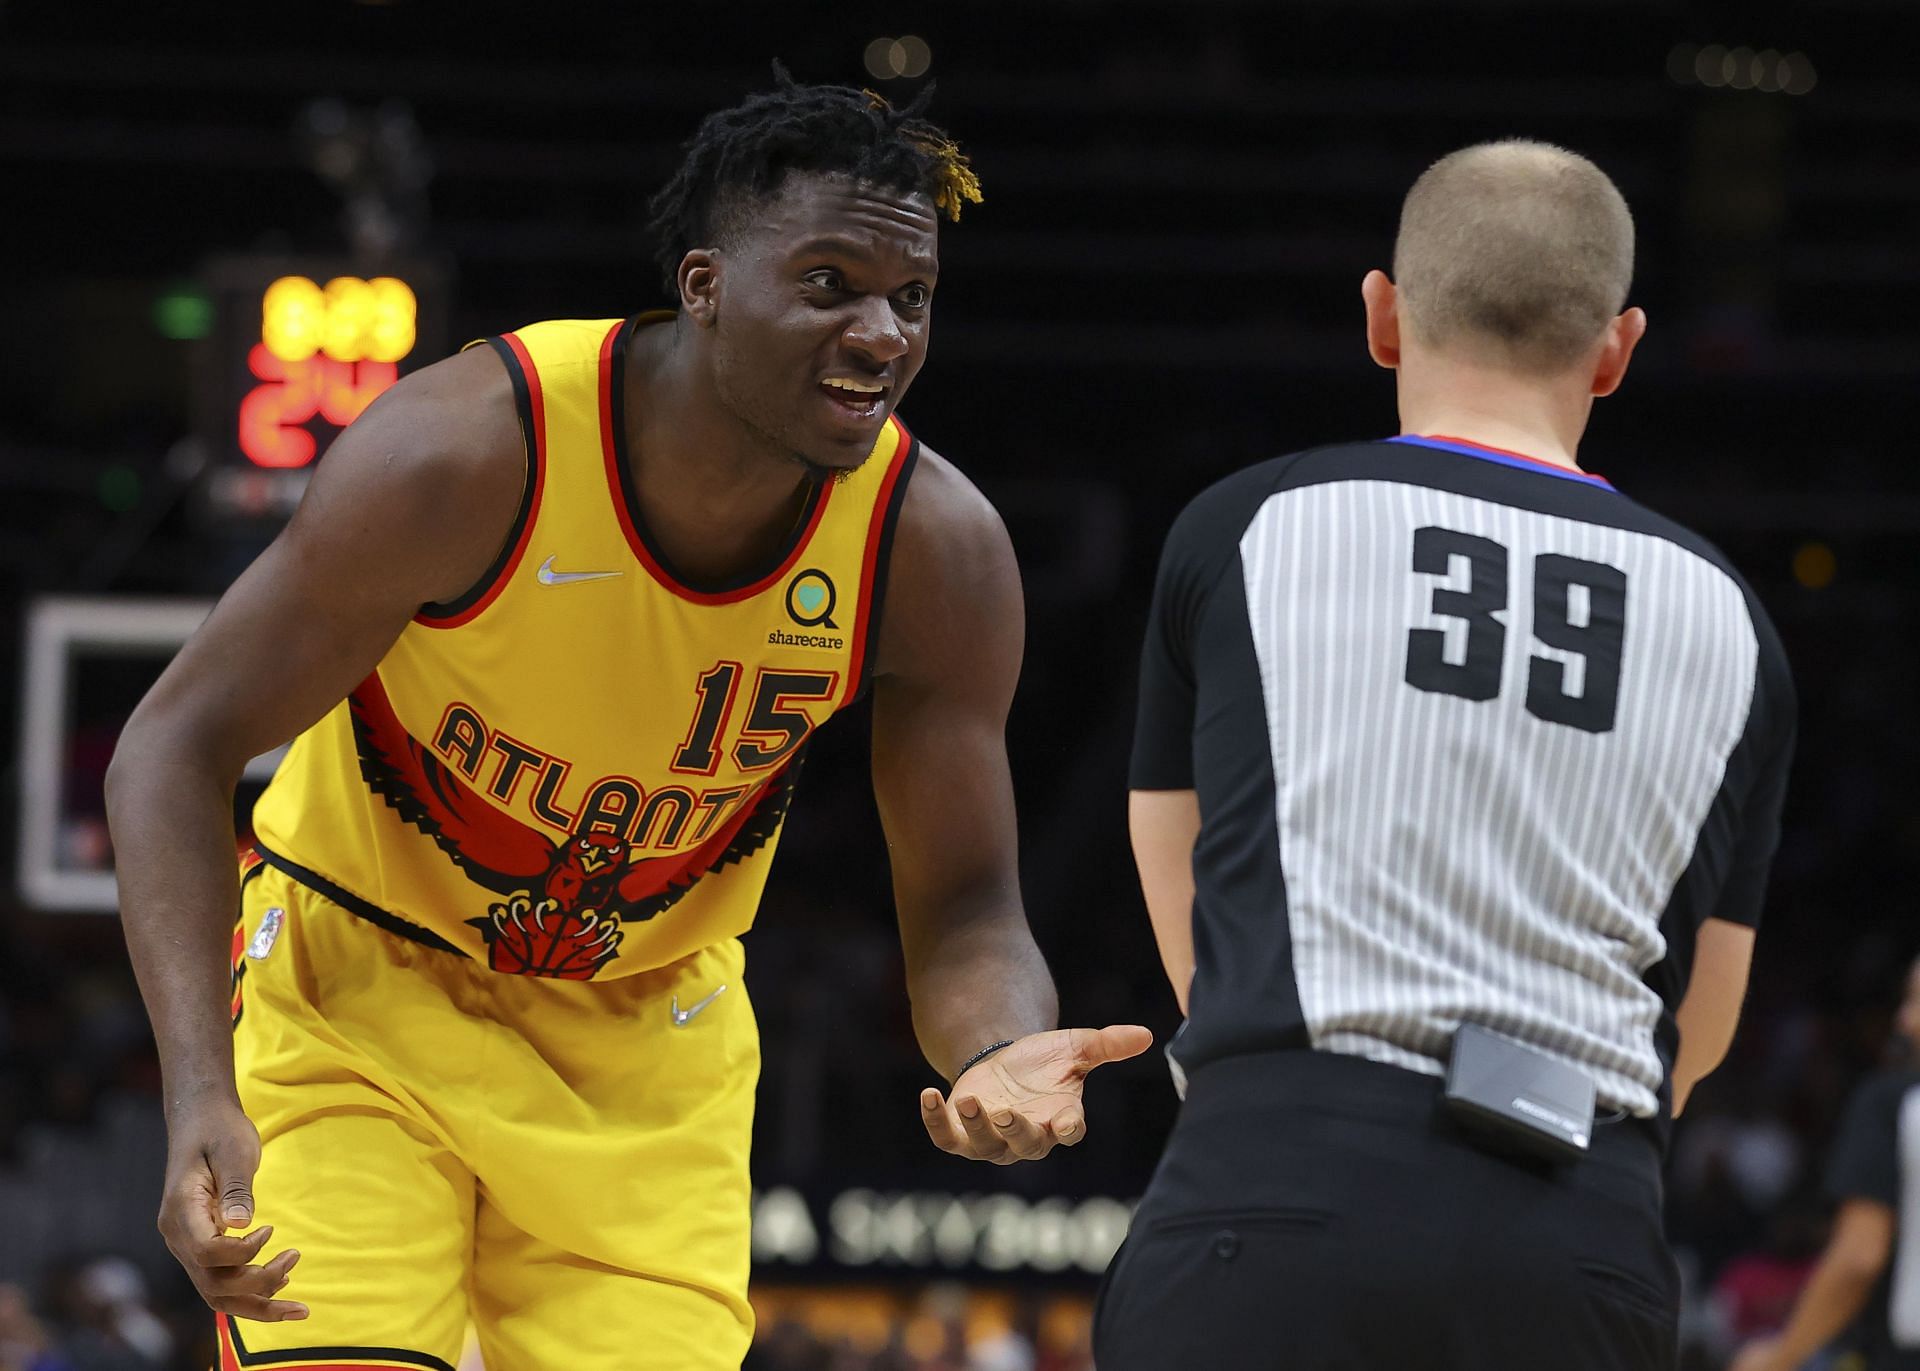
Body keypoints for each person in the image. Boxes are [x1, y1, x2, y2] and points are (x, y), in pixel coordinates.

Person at [105, 73, 1149, 1371]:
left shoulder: (933, 548)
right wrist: (200, 1082)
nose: (882, 331)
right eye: (829, 283)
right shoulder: (466, 452)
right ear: (704, 283)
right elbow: (172, 743)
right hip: (359, 990)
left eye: (911, 297)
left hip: (649, 1041)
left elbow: (971, 901)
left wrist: (996, 1042)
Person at [1095, 140, 1795, 1369]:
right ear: (1617, 348)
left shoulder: (1247, 526)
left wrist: (1279, 1094)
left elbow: (1182, 874)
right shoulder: (1732, 617)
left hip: (1275, 1190)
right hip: (1578, 1220)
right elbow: (1710, 1014)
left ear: (1384, 316)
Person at [1731, 956, 1920, 1371]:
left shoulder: (1894, 1102)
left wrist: (1779, 1357)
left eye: (1914, 1001)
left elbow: (1860, 1256)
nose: (1904, 1021)